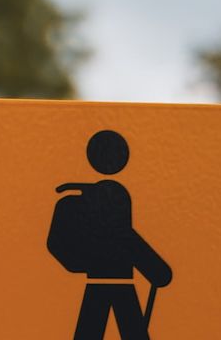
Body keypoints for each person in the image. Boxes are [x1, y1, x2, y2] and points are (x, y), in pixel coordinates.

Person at [49, 130, 172, 340]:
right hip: (120, 283)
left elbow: (124, 237)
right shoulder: (113, 195)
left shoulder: (98, 195)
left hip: (101, 283)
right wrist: (156, 269)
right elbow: (126, 237)